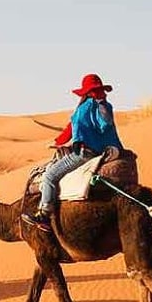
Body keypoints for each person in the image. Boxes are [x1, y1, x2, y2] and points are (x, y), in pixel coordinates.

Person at [22, 74, 123, 231]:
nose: (96, 93)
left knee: (49, 175)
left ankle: (44, 215)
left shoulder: (94, 107)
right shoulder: (95, 106)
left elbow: (104, 123)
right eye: (95, 91)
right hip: (97, 149)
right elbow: (72, 128)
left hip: (86, 152)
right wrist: (58, 142)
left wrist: (100, 104)